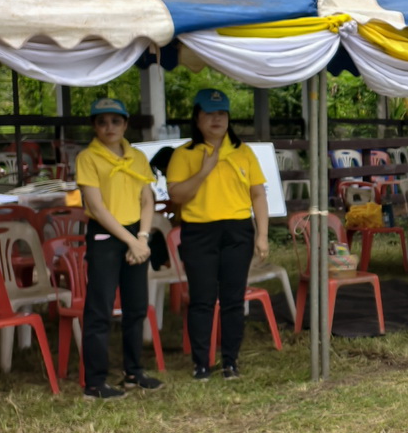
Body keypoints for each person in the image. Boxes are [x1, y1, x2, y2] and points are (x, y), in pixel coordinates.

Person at [165, 89, 269, 381]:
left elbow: (258, 194)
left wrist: (262, 235)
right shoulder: (184, 154)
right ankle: (201, 363)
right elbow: (177, 196)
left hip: (237, 229)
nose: (216, 119)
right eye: (209, 114)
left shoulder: (243, 152)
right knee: (202, 299)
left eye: (221, 113)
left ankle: (230, 361)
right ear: (197, 118)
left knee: (234, 298)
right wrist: (203, 171)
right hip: (199, 231)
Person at [73, 98, 162, 399]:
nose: (109, 127)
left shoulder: (136, 156)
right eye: (102, 121)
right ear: (94, 126)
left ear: (125, 124)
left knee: (136, 307)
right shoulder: (88, 158)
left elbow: (147, 199)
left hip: (137, 236)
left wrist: (144, 237)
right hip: (107, 236)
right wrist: (130, 240)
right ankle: (95, 383)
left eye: (115, 121)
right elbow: (96, 207)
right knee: (100, 309)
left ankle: (133, 373)